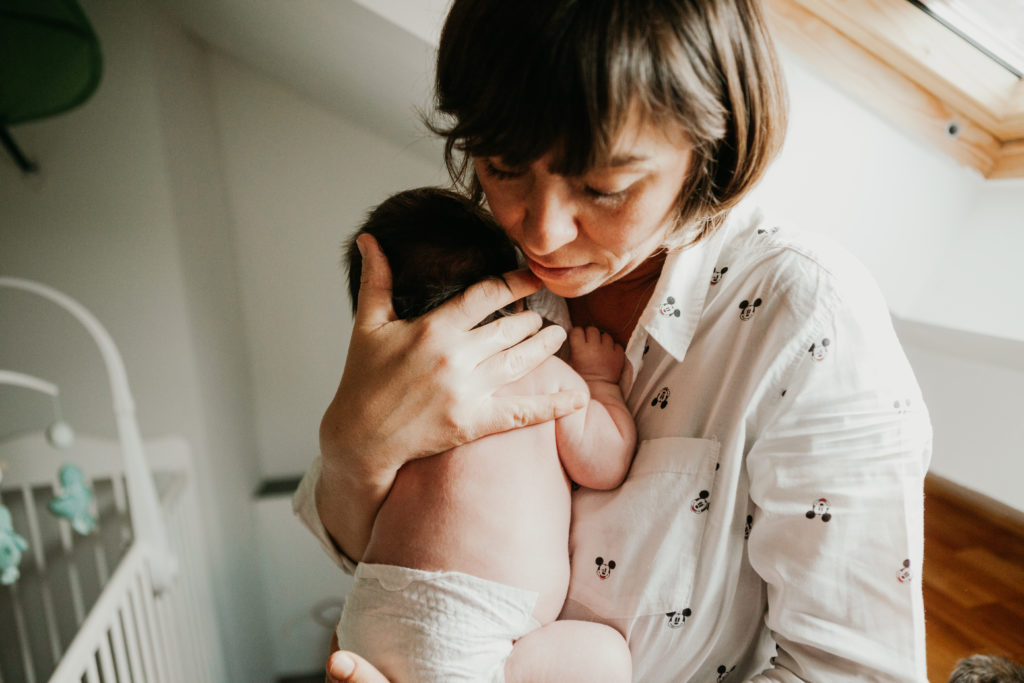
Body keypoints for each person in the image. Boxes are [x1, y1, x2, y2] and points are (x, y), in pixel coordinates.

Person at [293, 0, 932, 680]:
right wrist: (353, 449)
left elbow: (854, 673)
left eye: (604, 187)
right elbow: (364, 550)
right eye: (503, 166)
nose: (539, 233)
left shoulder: (809, 323)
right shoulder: (469, 272)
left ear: (710, 149)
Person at [332, 186, 635, 682]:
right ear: (517, 301)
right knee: (605, 656)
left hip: (368, 618)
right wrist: (599, 382)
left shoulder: (397, 397)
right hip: (467, 632)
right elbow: (605, 464)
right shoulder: (542, 376)